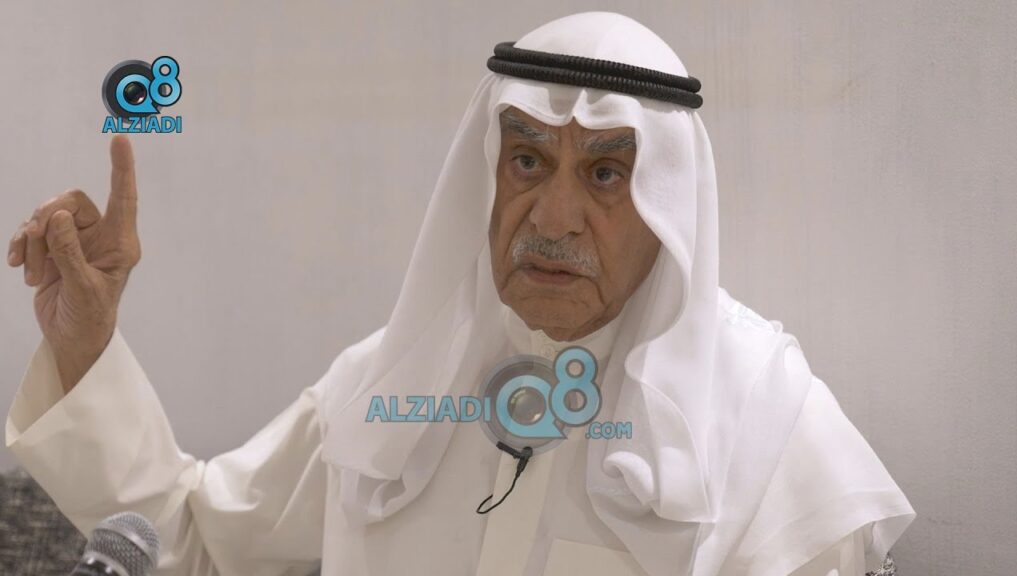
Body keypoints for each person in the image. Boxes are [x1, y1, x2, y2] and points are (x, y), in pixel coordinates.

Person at [4, 11, 914, 576]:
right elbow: (191, 544)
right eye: (527, 161)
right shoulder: (392, 383)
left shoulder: (769, 430)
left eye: (605, 174)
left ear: (670, 206)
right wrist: (86, 341)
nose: (552, 216)